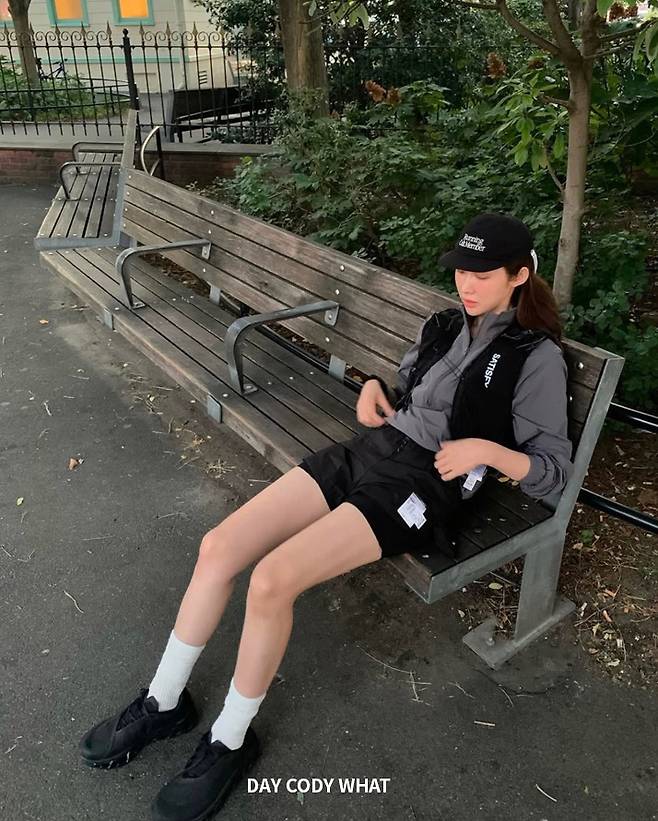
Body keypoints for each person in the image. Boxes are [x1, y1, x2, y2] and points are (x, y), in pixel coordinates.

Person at [78, 212, 574, 820]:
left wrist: (489, 452)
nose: (466, 284)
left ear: (519, 276)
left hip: (423, 486)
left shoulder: (534, 355)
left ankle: (229, 739)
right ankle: (163, 702)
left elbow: (553, 473)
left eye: (483, 274)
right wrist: (374, 387)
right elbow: (408, 388)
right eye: (461, 271)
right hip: (371, 451)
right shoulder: (445, 323)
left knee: (272, 580)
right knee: (218, 547)